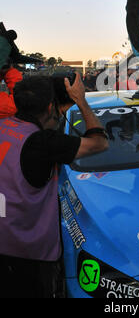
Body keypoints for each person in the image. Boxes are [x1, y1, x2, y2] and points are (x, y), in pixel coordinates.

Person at [0, 73, 109, 298]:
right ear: (51, 107)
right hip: (27, 253)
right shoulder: (44, 143)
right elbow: (100, 143)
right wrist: (81, 101)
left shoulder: (3, 124)